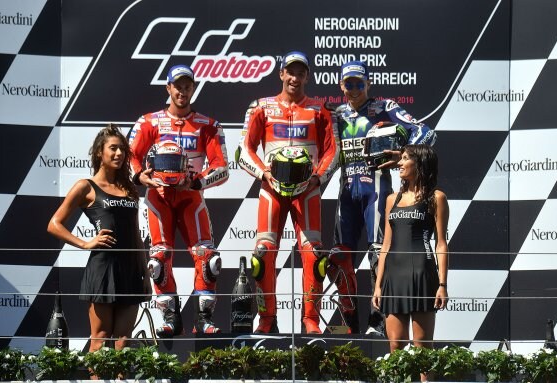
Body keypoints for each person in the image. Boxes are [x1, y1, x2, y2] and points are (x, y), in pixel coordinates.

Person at [328, 60, 436, 335]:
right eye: (348, 83)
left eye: (359, 83)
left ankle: (377, 319)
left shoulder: (384, 108)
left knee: (379, 253)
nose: (354, 89)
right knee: (341, 256)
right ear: (341, 85)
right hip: (346, 191)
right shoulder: (335, 114)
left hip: (376, 189)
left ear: (368, 83)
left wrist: (403, 155)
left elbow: (426, 132)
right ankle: (348, 320)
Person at [237, 51, 339, 334]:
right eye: (290, 72)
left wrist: (318, 178)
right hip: (272, 188)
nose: (295, 78)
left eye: (300, 73)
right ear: (281, 73)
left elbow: (333, 149)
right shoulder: (261, 106)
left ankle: (310, 320)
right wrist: (263, 173)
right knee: (263, 255)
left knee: (314, 255)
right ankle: (267, 320)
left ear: (307, 76)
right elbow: (244, 148)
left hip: (306, 190)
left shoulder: (320, 109)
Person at [129, 64, 229, 336]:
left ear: (193, 88)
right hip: (158, 197)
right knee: (159, 259)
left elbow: (222, 167)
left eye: (187, 86)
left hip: (191, 197)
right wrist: (140, 177)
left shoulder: (208, 125)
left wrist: (197, 181)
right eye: (178, 86)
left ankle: (203, 318)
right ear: (168, 88)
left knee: (207, 257)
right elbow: (130, 155)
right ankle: (170, 317)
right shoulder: (149, 122)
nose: (182, 91)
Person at [47, 124, 151, 355]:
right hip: (103, 268)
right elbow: (54, 224)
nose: (119, 154)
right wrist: (85, 243)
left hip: (131, 269)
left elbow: (136, 233)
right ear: (99, 153)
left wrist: (144, 272)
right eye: (113, 148)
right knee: (101, 338)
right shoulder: (86, 186)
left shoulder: (129, 189)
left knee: (124, 340)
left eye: (123, 149)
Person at [372, 144, 449, 360]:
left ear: (420, 163)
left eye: (405, 159)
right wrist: (378, 286)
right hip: (394, 277)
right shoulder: (391, 199)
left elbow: (441, 244)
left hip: (422, 274)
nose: (400, 163)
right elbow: (385, 245)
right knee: (396, 346)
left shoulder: (436, 198)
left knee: (422, 349)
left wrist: (442, 285)